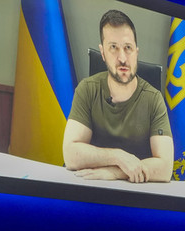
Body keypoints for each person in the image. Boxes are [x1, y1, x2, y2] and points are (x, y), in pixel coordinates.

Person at [62, 9, 173, 182]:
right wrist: (118, 157)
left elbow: (165, 168)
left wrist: (115, 173)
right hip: (93, 186)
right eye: (113, 47)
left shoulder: (153, 99)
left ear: (136, 51)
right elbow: (70, 155)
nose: (122, 58)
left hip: (136, 190)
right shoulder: (87, 89)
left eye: (128, 48)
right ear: (103, 53)